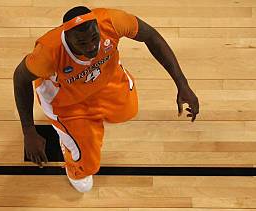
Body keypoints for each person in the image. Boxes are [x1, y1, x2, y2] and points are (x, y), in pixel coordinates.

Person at [14, 5, 199, 193]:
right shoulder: (48, 52)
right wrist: (28, 131)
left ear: (97, 26)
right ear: (67, 38)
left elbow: (151, 36)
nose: (91, 46)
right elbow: (20, 79)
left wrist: (182, 84)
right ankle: (71, 154)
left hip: (105, 81)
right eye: (82, 43)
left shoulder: (112, 21)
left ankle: (87, 125)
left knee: (128, 111)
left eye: (94, 38)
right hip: (67, 102)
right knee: (87, 169)